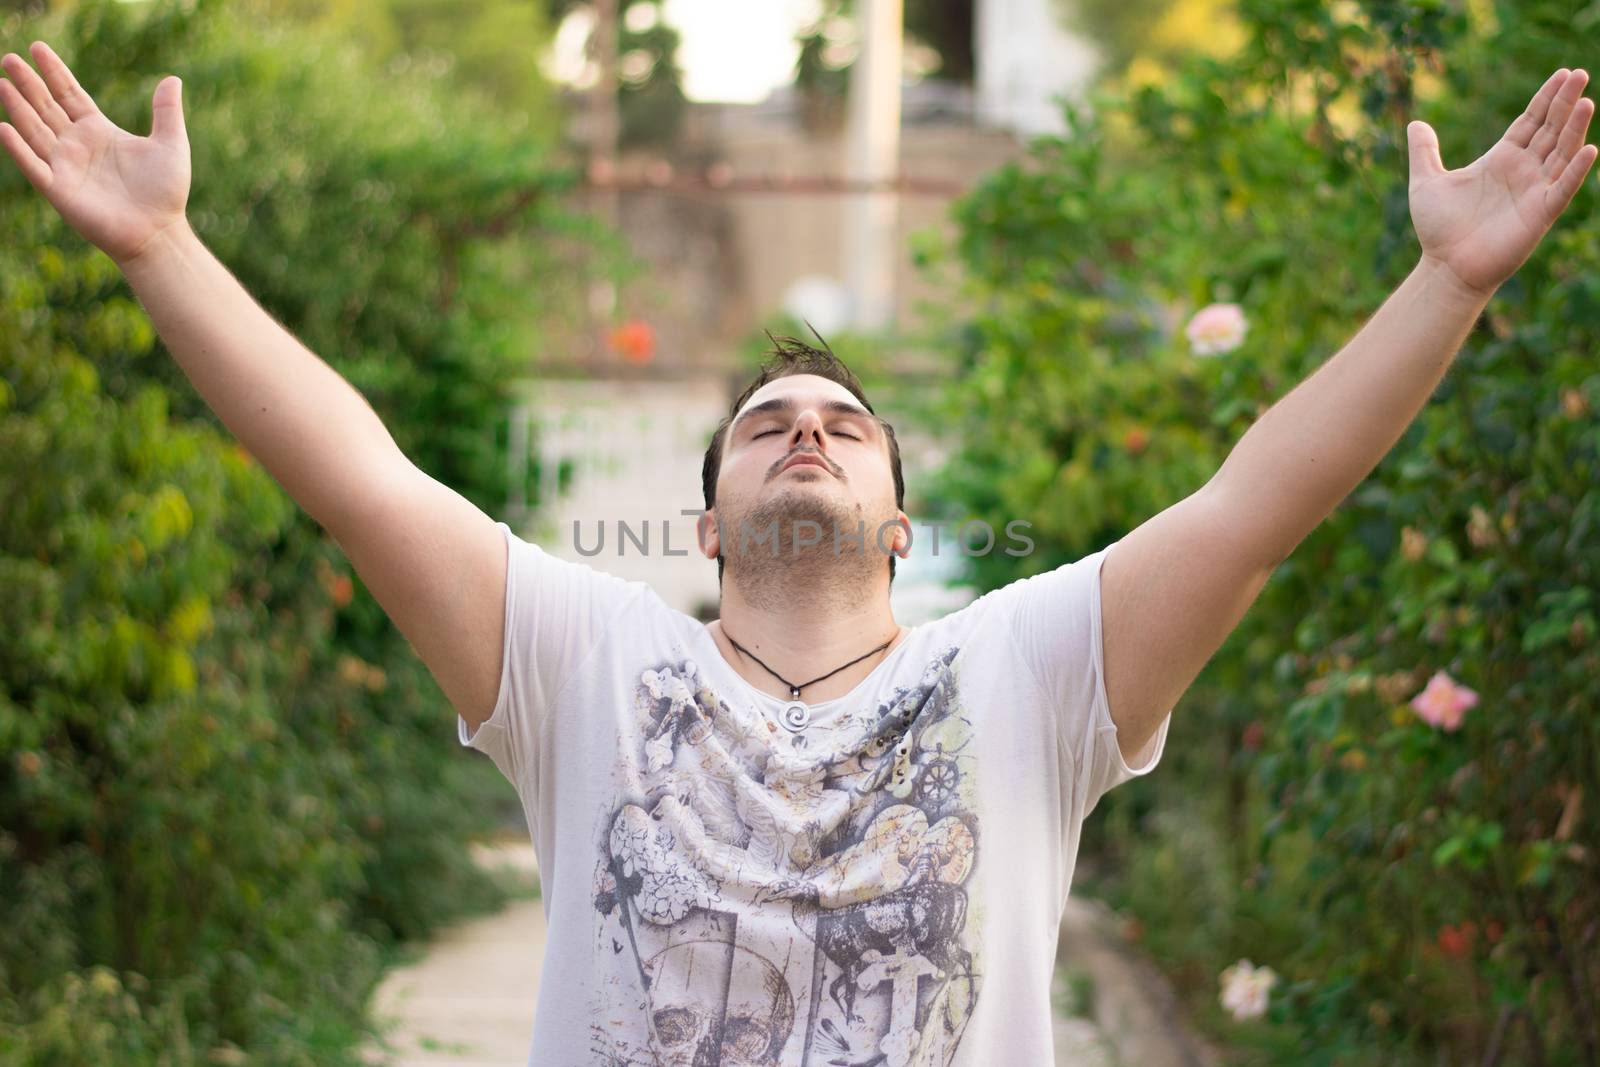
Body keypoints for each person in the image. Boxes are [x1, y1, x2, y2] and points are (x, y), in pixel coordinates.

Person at [2, 37, 1592, 1066]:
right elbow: (357, 477)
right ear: (706, 525)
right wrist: (162, 249)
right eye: (767, 422)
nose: (807, 430)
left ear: (901, 523)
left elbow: (1260, 504)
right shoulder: (588, 660)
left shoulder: (1026, 669)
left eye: (842, 421)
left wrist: (1447, 285)